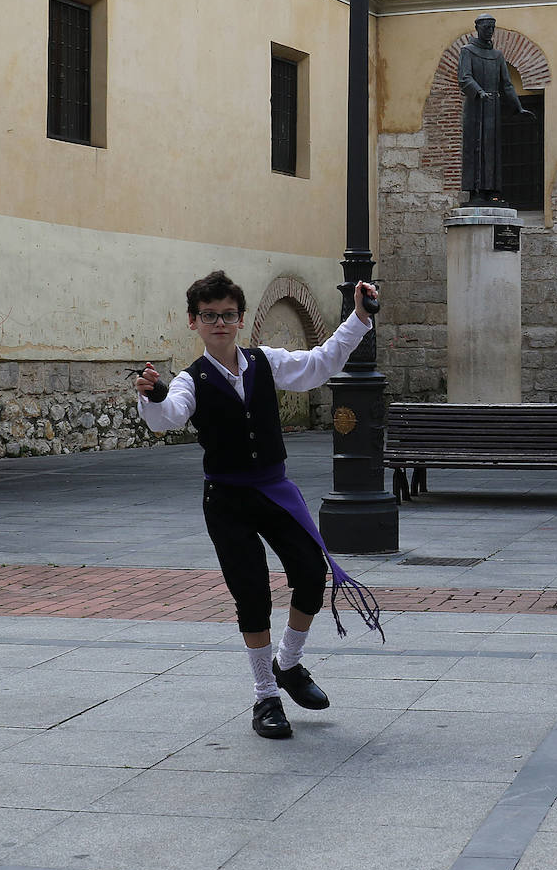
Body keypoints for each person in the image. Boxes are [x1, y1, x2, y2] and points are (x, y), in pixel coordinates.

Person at [134, 270, 382, 740]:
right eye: (210, 316)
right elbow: (166, 419)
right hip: (227, 500)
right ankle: (265, 695)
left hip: (273, 489)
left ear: (242, 318)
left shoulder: (265, 360)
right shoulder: (191, 380)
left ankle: (288, 663)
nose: (220, 323)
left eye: (228, 315)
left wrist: (358, 318)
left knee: (311, 571)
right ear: (194, 322)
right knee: (252, 594)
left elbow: (321, 364)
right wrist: (153, 395)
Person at [459, 13, 535, 205]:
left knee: (491, 149)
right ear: (477, 28)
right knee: (475, 148)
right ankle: (475, 192)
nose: (490, 31)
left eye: (492, 28)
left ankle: (492, 190)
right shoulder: (467, 51)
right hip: (476, 107)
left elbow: (507, 84)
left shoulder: (497, 55)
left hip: (492, 108)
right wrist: (479, 92)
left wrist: (518, 107)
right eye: (487, 27)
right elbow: (465, 77)